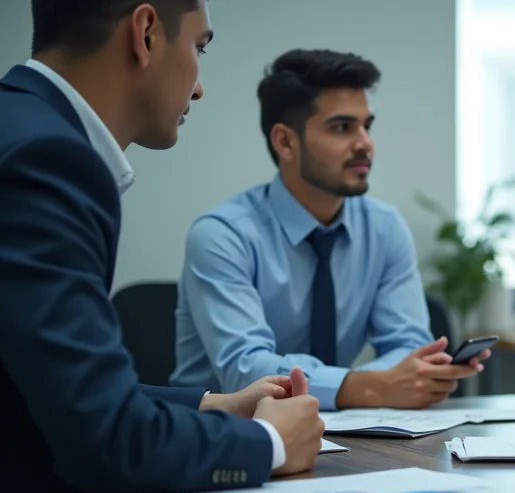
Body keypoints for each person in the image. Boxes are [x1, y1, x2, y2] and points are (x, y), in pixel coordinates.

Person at [0, 0, 325, 493]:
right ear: (145, 33)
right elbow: (105, 442)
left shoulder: (19, 126)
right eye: (200, 46)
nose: (198, 85)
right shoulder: (48, 160)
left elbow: (41, 385)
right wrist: (267, 441)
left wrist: (216, 405)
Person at [170, 48, 488, 410]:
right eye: (342, 127)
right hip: (216, 438)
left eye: (366, 126)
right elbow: (247, 371)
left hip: (344, 434)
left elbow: (409, 349)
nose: (365, 144)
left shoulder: (383, 228)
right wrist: (369, 387)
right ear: (285, 142)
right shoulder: (222, 235)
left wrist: (379, 384)